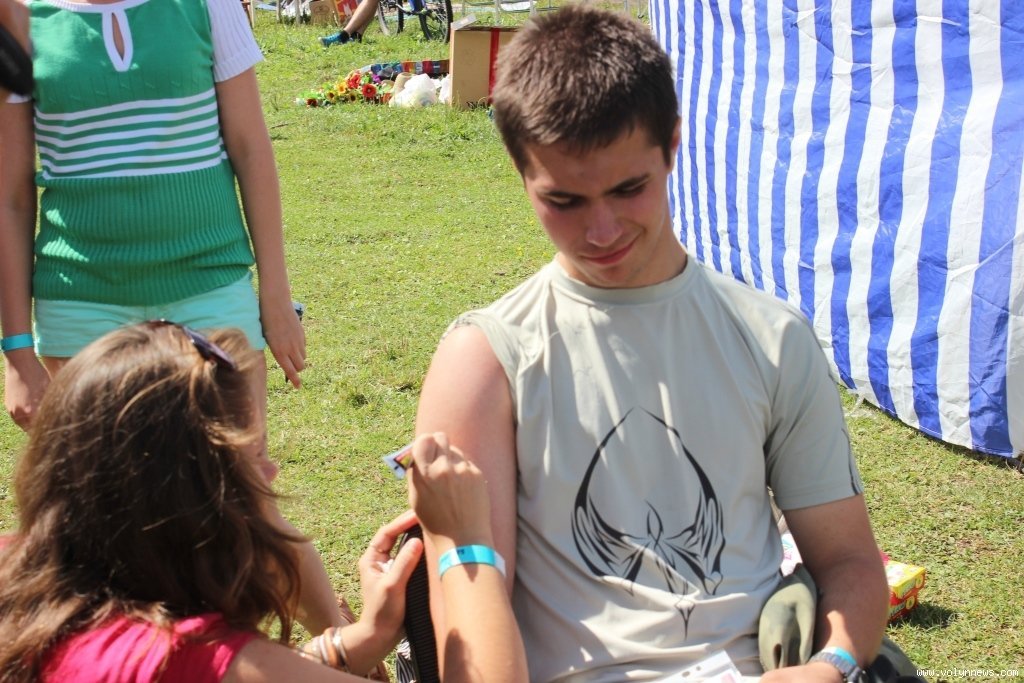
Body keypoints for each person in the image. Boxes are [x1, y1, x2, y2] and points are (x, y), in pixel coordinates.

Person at [414, 5, 890, 682]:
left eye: (628, 189)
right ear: (520, 172)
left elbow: (849, 562)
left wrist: (830, 664)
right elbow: (474, 652)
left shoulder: (773, 338)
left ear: (672, 144)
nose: (602, 230)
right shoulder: (486, 360)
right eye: (564, 201)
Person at [0, 0, 343, 637]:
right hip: (81, 302)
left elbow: (250, 148)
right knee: (103, 519)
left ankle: (350, 652)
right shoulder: (19, 14)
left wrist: (274, 295)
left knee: (240, 502)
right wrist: (17, 350)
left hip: (209, 285)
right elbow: (12, 194)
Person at [0, 322, 526, 683]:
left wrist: (355, 642)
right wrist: (464, 544)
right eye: (252, 457)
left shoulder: (16, 577)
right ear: (194, 502)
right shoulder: (196, 661)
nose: (272, 472)